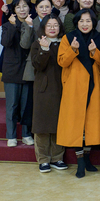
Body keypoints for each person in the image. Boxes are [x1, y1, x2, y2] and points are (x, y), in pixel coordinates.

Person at [57, 8, 100, 178]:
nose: (85, 24)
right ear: (76, 23)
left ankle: (86, 159)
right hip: (74, 87)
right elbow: (62, 62)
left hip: (94, 86)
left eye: (88, 21)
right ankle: (79, 163)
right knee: (76, 124)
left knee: (90, 125)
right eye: (81, 21)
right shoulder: (68, 38)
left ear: (93, 22)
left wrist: (94, 52)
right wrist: (72, 49)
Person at [30, 14, 67, 172]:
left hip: (62, 88)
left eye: (55, 25)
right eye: (49, 25)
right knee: (42, 125)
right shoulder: (37, 43)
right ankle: (43, 159)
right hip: (43, 90)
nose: (52, 28)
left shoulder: (64, 43)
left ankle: (58, 158)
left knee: (59, 124)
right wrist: (44, 49)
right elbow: (38, 65)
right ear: (43, 28)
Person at [2, 0, 34, 147]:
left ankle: (26, 134)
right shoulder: (8, 25)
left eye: (25, 6)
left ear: (29, 8)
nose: (22, 9)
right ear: (14, 10)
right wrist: (13, 26)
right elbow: (6, 42)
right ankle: (11, 135)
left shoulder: (32, 23)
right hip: (11, 70)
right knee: (12, 105)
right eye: (18, 7)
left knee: (26, 105)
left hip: (27, 70)